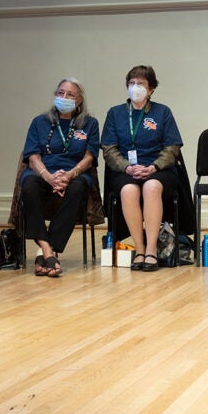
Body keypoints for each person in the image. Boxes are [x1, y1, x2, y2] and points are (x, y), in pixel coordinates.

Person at [101, 65, 183, 271]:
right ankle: (139, 249)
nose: (135, 87)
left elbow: (172, 147)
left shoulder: (162, 112)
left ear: (151, 89)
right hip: (125, 171)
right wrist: (127, 168)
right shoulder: (115, 113)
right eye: (131, 83)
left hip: (158, 170)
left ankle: (152, 249)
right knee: (128, 190)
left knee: (151, 187)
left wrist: (154, 167)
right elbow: (109, 149)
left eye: (141, 84)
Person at [19, 78, 100, 277]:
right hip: (43, 172)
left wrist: (70, 175)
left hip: (74, 174)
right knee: (29, 186)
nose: (64, 97)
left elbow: (90, 157)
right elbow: (33, 157)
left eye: (70, 95)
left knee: (79, 188)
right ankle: (48, 250)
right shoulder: (39, 122)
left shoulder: (90, 124)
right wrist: (49, 177)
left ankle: (47, 252)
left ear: (79, 100)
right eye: (60, 93)